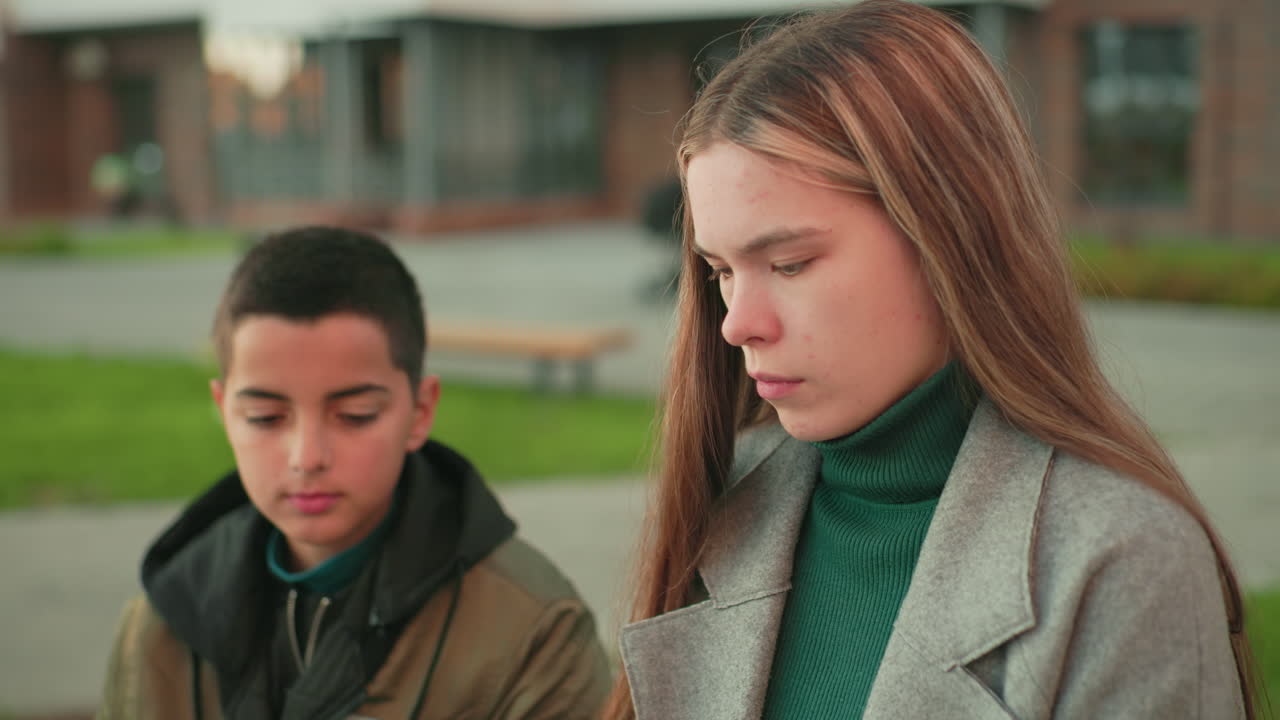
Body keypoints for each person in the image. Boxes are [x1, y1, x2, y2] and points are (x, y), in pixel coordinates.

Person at [604, 2, 1256, 719]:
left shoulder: (1120, 560)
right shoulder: (726, 497)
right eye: (721, 271)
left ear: (949, 234)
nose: (737, 325)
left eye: (789, 264)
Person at [97, 226, 611, 718]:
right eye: (265, 417)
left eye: (355, 415)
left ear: (420, 411)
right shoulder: (158, 626)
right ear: (224, 410)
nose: (306, 457)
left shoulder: (534, 633)